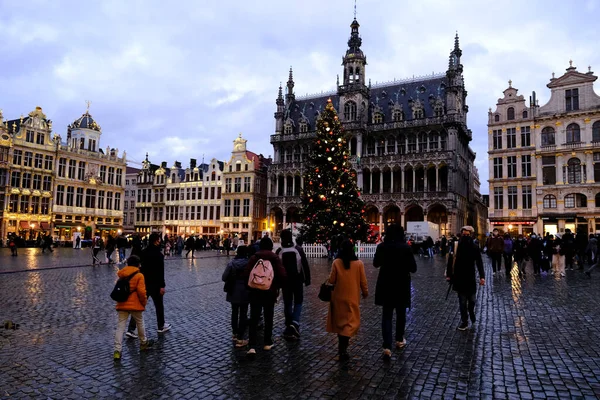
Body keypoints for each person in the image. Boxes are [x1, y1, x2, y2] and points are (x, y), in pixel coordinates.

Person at [373, 224, 417, 360]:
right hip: (401, 285)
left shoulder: (382, 247)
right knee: (401, 314)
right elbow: (413, 268)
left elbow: (376, 263)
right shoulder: (406, 248)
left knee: (386, 315)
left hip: (386, 285)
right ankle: (399, 339)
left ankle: (387, 346)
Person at [326, 239, 369, 362]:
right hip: (352, 298)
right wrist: (365, 292)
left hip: (338, 297)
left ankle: (342, 347)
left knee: (340, 323)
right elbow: (363, 281)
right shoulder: (359, 264)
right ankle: (343, 348)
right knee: (349, 324)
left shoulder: (336, 263)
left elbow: (332, 280)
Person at [244, 236, 286, 358]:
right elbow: (282, 274)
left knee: (254, 317)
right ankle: (267, 342)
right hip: (269, 291)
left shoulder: (254, 257)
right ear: (271, 246)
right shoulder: (274, 258)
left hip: (255, 291)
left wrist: (250, 287)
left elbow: (247, 273)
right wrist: (277, 286)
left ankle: (252, 345)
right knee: (269, 317)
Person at [126, 233, 171, 337]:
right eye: (159, 239)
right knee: (159, 306)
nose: (160, 241)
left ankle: (131, 329)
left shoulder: (143, 252)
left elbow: (139, 268)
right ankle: (161, 326)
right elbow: (161, 271)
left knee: (139, 305)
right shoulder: (159, 254)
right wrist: (162, 286)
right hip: (155, 284)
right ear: (156, 241)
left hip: (144, 283)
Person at [113, 255, 154, 361]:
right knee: (140, 323)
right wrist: (143, 302)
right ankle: (143, 342)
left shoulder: (122, 274)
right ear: (138, 264)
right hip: (135, 305)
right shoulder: (139, 275)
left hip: (122, 304)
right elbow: (141, 292)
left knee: (120, 327)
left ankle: (117, 350)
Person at [446, 226, 485, 331]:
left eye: (468, 234)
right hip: (459, 276)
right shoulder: (456, 245)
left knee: (472, 300)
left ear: (471, 235)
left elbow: (479, 262)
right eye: (464, 234)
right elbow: (451, 260)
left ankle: (471, 311)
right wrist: (449, 275)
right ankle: (464, 321)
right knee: (462, 301)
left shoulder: (475, 247)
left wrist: (482, 276)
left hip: (470, 277)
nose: (465, 236)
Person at [276, 229, 311, 340]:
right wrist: (307, 279)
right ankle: (295, 323)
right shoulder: (298, 250)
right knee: (298, 301)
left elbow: (277, 269)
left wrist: (277, 283)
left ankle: (289, 323)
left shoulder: (279, 251)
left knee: (287, 302)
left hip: (285, 281)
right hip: (297, 279)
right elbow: (305, 265)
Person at [222, 245, 250, 347]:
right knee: (243, 313)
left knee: (234, 312)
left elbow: (224, 277)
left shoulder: (231, 263)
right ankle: (240, 337)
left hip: (233, 290)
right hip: (246, 291)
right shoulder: (249, 264)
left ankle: (234, 333)